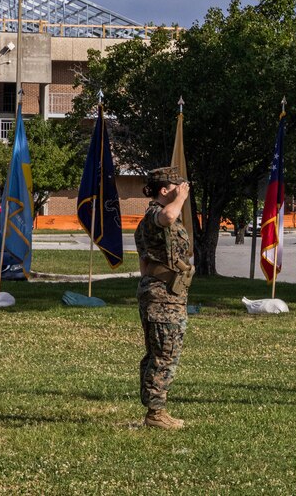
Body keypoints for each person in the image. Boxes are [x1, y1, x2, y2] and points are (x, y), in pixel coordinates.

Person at [135, 166, 194, 430]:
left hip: (164, 293)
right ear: (164, 190)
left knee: (159, 352)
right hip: (162, 297)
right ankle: (156, 414)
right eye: (176, 187)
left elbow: (143, 262)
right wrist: (180, 198)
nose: (182, 191)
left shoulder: (152, 219)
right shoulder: (156, 215)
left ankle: (156, 409)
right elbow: (168, 216)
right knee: (164, 354)